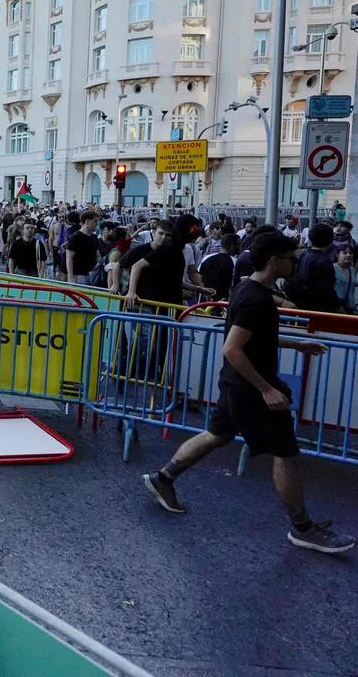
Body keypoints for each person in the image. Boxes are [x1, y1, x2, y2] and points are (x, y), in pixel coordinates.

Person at [142, 232, 354, 555]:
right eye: (291, 258)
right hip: (252, 390)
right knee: (285, 452)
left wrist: (295, 343)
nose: (295, 263)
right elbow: (233, 348)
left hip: (235, 385)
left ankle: (163, 478)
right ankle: (302, 528)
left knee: (215, 434)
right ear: (274, 261)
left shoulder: (247, 288)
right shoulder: (256, 299)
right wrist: (267, 388)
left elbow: (250, 337)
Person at [199, 234, 240, 302]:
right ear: (232, 247)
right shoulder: (235, 262)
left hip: (204, 302)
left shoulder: (207, 257)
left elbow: (199, 276)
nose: (240, 247)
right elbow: (232, 285)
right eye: (238, 244)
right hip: (223, 303)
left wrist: (203, 290)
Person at [65, 210, 100, 285]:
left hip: (92, 275)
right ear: (87, 221)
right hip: (78, 276)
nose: (97, 224)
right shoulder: (75, 237)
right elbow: (69, 258)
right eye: (95, 221)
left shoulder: (94, 237)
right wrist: (70, 277)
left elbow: (97, 255)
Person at [334, 245, 356, 312]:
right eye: (345, 253)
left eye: (350, 253)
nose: (349, 255)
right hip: (337, 307)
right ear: (337, 255)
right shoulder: (332, 268)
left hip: (350, 306)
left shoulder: (351, 269)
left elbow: (351, 283)